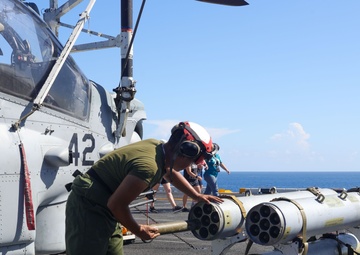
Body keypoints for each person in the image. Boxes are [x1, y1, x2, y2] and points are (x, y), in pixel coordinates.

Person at [65, 121, 223, 255]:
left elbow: (170, 173)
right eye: (195, 160)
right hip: (89, 205)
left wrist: (197, 196)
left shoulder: (158, 148)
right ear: (185, 150)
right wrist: (138, 230)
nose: (192, 165)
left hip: (107, 207)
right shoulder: (149, 167)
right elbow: (117, 204)